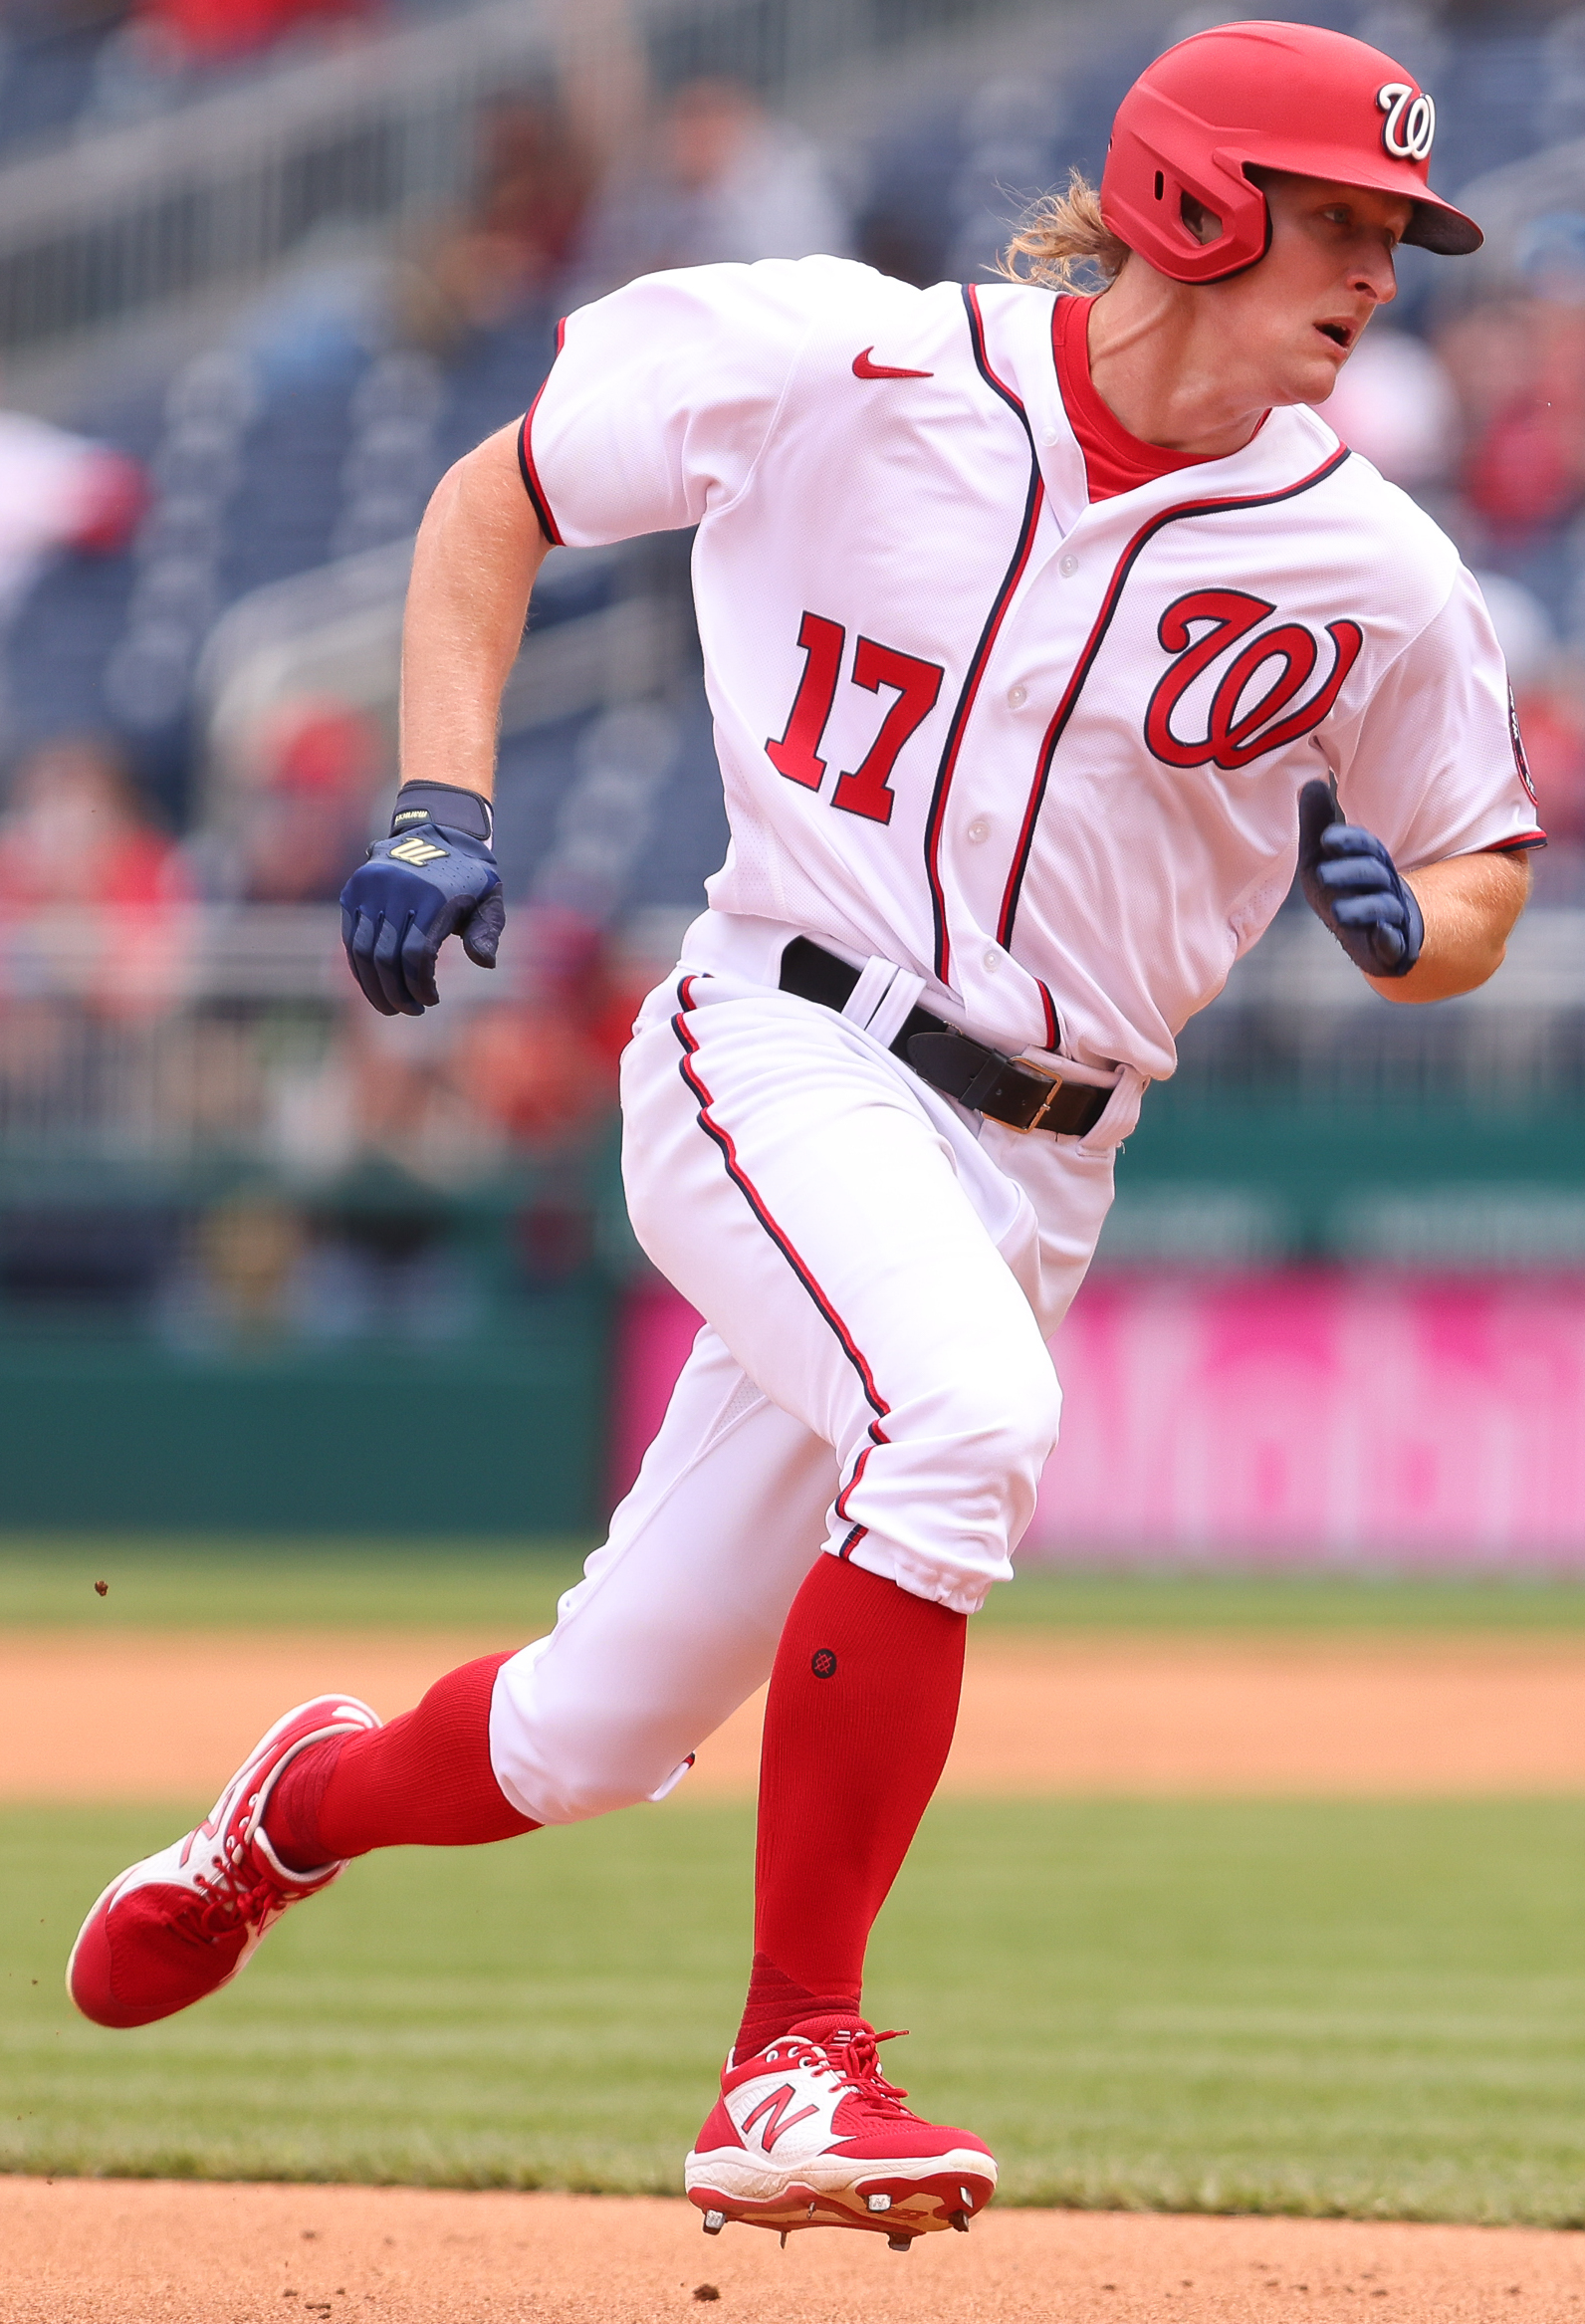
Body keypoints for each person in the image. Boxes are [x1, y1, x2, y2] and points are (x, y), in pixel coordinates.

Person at [68, 20, 1542, 2253]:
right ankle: (793, 2063)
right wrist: (442, 802)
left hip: (1043, 1157)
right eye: (1336, 222)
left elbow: (1480, 877)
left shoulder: (1374, 571)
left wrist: (1407, 927)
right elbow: (499, 491)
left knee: (588, 1731)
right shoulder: (848, 363)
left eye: (1393, 239)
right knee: (961, 1426)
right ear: (1192, 201)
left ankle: (289, 1816)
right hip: (785, 1038)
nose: (1375, 277)